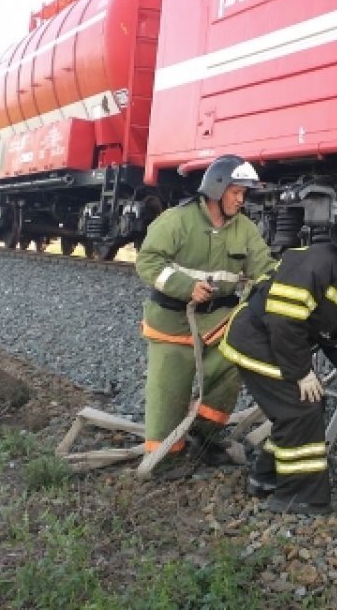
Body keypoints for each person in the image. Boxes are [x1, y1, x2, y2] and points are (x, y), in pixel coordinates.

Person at [220, 210, 337, 514]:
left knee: (306, 405)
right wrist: (300, 373)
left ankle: (268, 476)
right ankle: (299, 496)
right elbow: (284, 321)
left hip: (278, 342)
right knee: (301, 408)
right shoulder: (317, 264)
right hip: (257, 341)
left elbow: (336, 334)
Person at [135, 154, 279, 472]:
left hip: (216, 320)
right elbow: (148, 262)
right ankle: (164, 459)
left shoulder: (245, 229)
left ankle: (206, 432)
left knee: (235, 358)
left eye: (244, 193)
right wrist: (187, 287)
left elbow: (264, 269)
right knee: (169, 388)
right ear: (216, 188)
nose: (241, 200)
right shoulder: (177, 220)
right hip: (172, 321)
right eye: (236, 192)